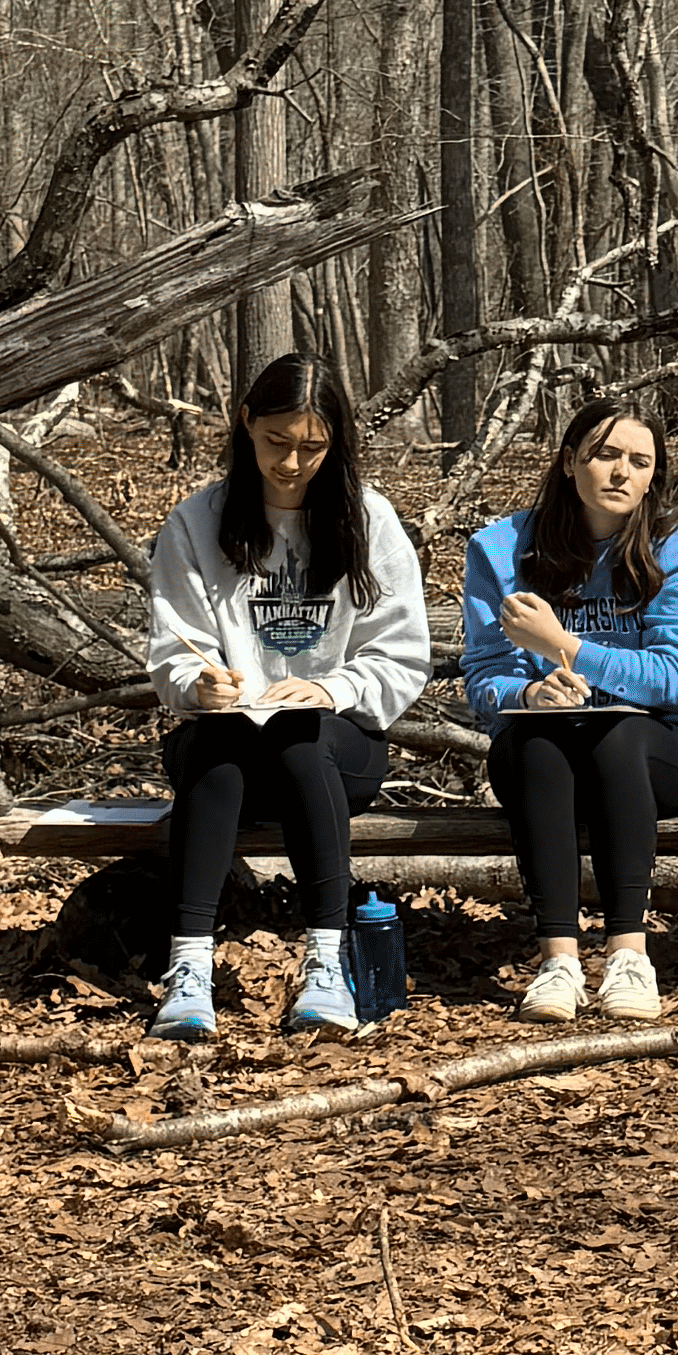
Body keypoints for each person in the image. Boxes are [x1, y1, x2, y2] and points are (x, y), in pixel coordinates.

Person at [140, 348, 436, 1044]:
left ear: (337, 444)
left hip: (335, 750)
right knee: (225, 739)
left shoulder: (371, 523)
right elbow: (173, 646)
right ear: (246, 424)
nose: (293, 462)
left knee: (301, 736)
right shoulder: (196, 523)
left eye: (313, 447)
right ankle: (188, 973)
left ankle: (326, 964)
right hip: (225, 750)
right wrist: (197, 683)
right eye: (277, 441)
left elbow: (402, 657)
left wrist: (332, 687)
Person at [459, 397, 678, 1024]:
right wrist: (527, 695)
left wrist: (565, 647)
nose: (621, 473)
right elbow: (485, 679)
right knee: (537, 743)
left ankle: (630, 955)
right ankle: (558, 962)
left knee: (620, 735)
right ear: (571, 460)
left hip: (658, 751)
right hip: (544, 753)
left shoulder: (676, 547)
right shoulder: (504, 549)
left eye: (640, 461)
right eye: (606, 455)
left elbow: (677, 678)